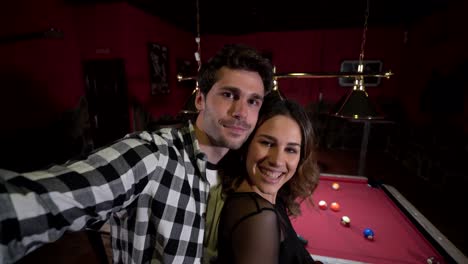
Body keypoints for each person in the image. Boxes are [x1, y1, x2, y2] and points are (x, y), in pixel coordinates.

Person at [0, 43, 273, 264]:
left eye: (253, 101)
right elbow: (45, 200)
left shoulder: (239, 167)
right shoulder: (152, 155)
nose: (241, 112)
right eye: (228, 94)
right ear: (200, 99)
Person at [215, 97, 321, 264]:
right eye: (267, 143)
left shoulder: (270, 198)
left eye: (291, 149)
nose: (277, 160)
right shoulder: (258, 216)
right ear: (246, 144)